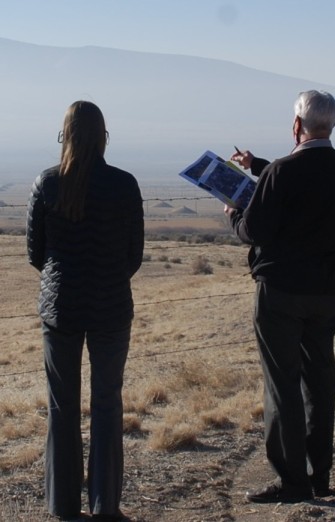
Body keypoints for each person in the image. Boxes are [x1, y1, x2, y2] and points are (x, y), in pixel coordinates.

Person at [225, 90, 335, 503]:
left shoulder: (282, 172)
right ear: (329, 125)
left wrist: (234, 214)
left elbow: (253, 229)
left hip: (281, 292)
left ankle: (292, 480)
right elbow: (303, 177)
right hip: (326, 293)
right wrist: (258, 165)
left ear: (296, 125)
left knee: (282, 384)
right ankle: (320, 474)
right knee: (319, 381)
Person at [27, 101, 144, 521]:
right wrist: (106, 276)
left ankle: (63, 506)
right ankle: (105, 505)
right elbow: (134, 255)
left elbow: (36, 253)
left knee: (62, 406)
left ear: (66, 135)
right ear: (102, 137)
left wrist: (65, 279)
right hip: (111, 307)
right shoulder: (124, 184)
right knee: (108, 404)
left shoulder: (47, 182)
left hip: (60, 310)